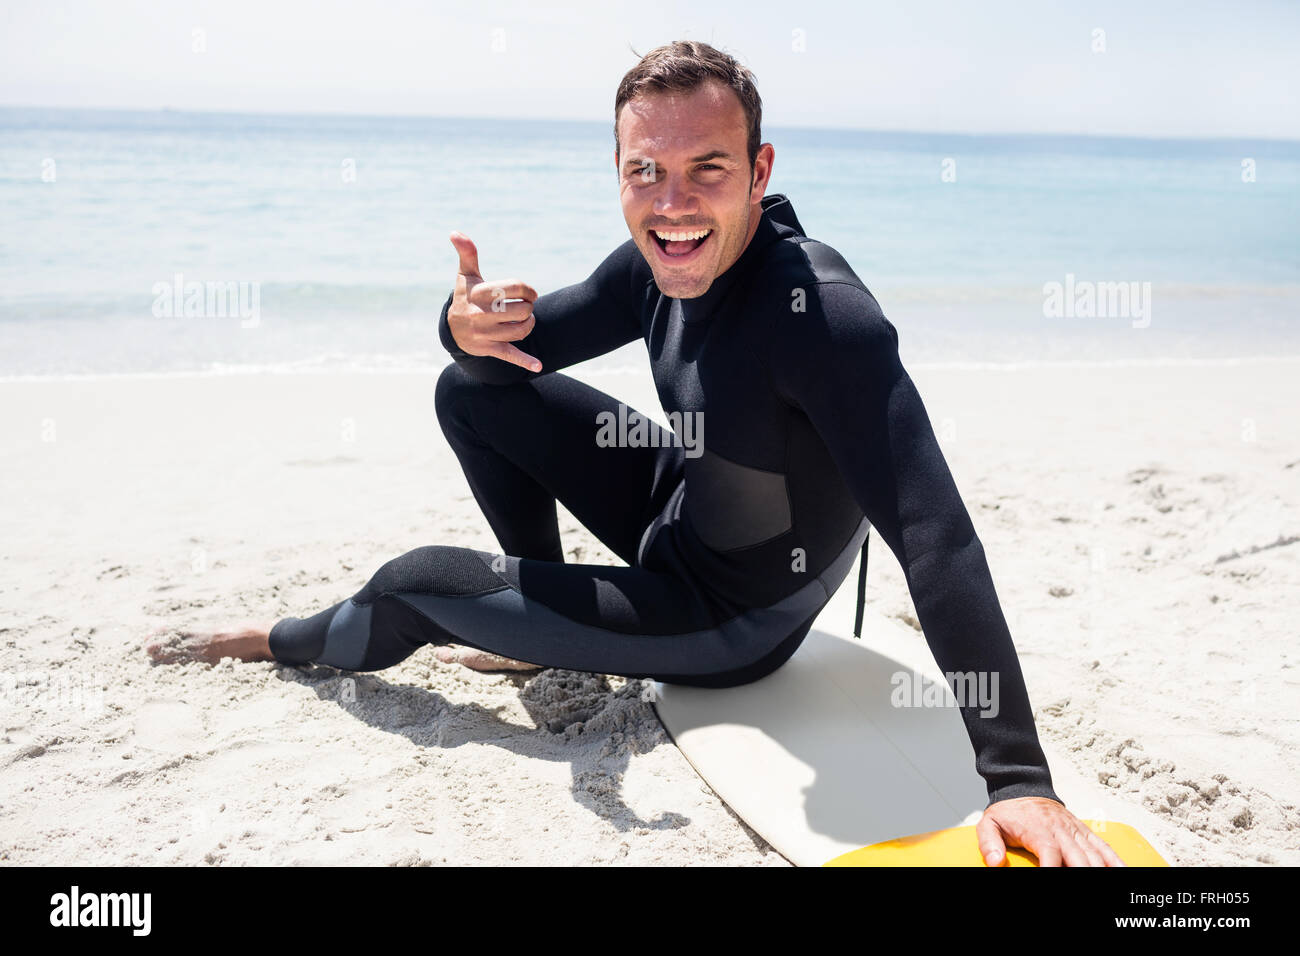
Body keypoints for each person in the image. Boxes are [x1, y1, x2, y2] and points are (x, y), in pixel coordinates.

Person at [148, 39, 1124, 867]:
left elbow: (933, 530)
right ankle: (531, 623)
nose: (672, 202)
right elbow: (515, 348)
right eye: (643, 170)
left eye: (707, 166)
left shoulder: (821, 318)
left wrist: (1017, 778)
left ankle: (271, 638)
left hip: (729, 616)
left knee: (414, 581)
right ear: (617, 171)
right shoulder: (654, 262)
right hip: (681, 505)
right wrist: (459, 327)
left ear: (760, 168)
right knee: (471, 391)